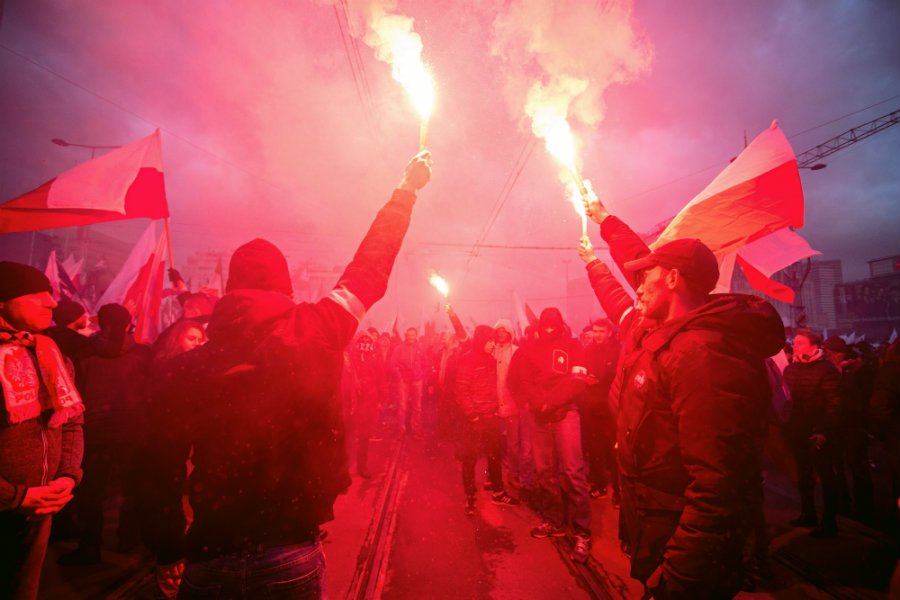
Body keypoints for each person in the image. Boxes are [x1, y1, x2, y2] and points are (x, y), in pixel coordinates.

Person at [149, 151, 432, 598]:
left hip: (209, 551)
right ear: (284, 286)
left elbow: (157, 467)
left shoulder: (191, 364)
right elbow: (368, 271)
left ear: (229, 290)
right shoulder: (316, 329)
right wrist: (406, 192)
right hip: (289, 547)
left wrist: (168, 549)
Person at [578, 194, 784, 598]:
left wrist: (678, 574)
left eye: (646, 277)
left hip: (682, 558)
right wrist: (603, 223)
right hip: (658, 528)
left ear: (672, 279)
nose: (637, 286)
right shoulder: (657, 332)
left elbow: (718, 484)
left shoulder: (702, 355)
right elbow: (633, 264)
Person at [0, 262, 84, 600]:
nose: (52, 304)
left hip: (39, 510)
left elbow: (71, 421)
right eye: (37, 297)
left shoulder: (51, 355)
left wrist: (66, 476)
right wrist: (14, 496)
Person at [59, 303, 152, 565]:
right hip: (133, 430)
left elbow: (76, 392)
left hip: (95, 431)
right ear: (128, 324)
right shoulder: (143, 354)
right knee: (132, 488)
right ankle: (128, 539)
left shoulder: (83, 354)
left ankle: (90, 547)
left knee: (92, 492)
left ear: (99, 322)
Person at [509, 307, 593, 564]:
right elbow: (519, 381)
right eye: (544, 324)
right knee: (544, 470)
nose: (548, 328)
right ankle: (554, 520)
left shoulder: (573, 346)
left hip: (566, 413)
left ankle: (582, 532)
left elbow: (578, 380)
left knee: (572, 471)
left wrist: (550, 402)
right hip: (539, 416)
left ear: (560, 324)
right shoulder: (528, 350)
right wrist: (537, 403)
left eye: (552, 324)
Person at [784, 329, 843, 538]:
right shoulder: (791, 369)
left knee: (826, 476)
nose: (795, 345)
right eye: (795, 342)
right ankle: (807, 513)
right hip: (798, 431)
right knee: (804, 475)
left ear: (814, 345)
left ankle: (829, 522)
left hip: (818, 432)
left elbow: (834, 404)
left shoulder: (826, 370)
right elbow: (786, 400)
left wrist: (824, 431)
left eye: (800, 342)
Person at [455, 325, 519, 515]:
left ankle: (498, 492)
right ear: (481, 340)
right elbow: (461, 391)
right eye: (489, 341)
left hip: (491, 416)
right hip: (474, 419)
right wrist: (473, 415)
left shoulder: (491, 360)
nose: (493, 344)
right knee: (470, 458)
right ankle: (470, 496)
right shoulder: (467, 360)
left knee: (494, 455)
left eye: (493, 341)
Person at [579, 319, 620, 504]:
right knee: (595, 449)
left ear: (609, 332)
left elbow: (617, 374)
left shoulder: (618, 350)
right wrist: (586, 378)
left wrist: (601, 379)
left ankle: (619, 491)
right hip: (593, 406)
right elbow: (582, 371)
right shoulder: (588, 351)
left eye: (601, 331)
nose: (597, 335)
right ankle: (599, 485)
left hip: (611, 406)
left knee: (614, 450)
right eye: (595, 331)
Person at [389, 326, 429, 436]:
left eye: (413, 335)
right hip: (404, 381)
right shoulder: (399, 348)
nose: (411, 337)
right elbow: (393, 364)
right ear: (406, 335)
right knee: (402, 407)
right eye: (409, 335)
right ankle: (401, 430)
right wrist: (400, 376)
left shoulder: (420, 349)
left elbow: (426, 365)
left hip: (417, 381)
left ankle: (416, 429)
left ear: (416, 336)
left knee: (417, 407)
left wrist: (421, 376)